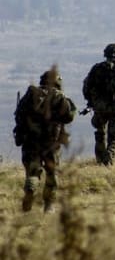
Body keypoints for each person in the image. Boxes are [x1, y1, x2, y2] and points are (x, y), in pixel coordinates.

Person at [13, 66, 77, 212]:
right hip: (51, 142)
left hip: (30, 140)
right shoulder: (59, 96)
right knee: (51, 172)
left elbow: (19, 116)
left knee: (33, 171)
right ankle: (49, 205)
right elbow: (69, 117)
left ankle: (30, 189)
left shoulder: (31, 94)